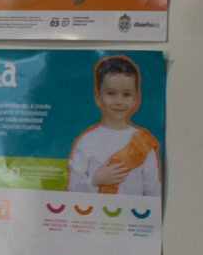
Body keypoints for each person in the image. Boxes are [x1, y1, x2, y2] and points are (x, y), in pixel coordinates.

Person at [67, 55, 162, 195]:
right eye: (111, 93)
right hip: (94, 209)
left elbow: (153, 191)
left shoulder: (143, 142)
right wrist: (95, 180)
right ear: (98, 97)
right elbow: (72, 190)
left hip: (132, 209)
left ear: (136, 99)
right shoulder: (86, 142)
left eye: (126, 94)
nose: (119, 101)